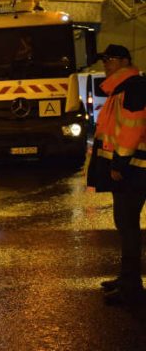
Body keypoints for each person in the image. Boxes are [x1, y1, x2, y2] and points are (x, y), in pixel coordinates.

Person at [86, 44, 146, 307]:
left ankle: (131, 286)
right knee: (124, 225)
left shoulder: (132, 88)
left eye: (110, 60)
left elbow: (132, 130)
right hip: (129, 169)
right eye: (105, 60)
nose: (105, 64)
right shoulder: (120, 89)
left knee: (128, 227)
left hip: (134, 170)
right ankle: (126, 279)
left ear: (124, 61)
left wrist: (119, 164)